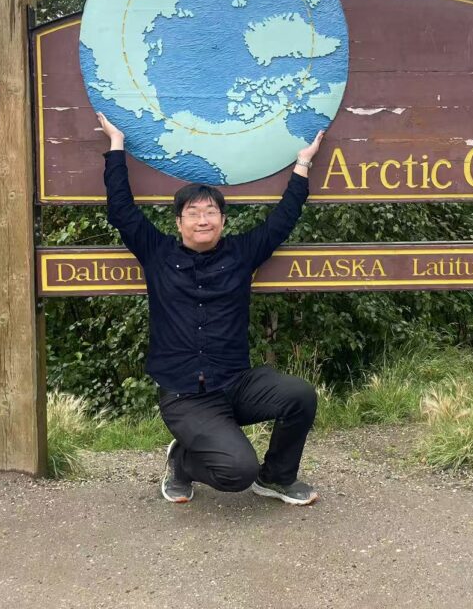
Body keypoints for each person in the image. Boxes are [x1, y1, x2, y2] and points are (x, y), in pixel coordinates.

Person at [97, 112, 324, 506]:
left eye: (211, 213)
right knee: (236, 471)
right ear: (179, 221)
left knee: (300, 395)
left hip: (236, 383)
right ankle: (183, 462)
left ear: (222, 219)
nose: (203, 220)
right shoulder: (156, 253)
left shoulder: (241, 253)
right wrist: (116, 146)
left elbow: (282, 220)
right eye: (193, 213)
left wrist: (303, 163)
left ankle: (276, 478)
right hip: (186, 395)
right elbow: (121, 210)